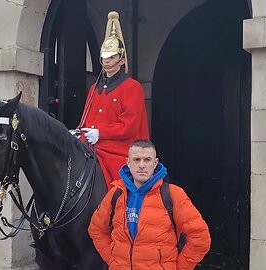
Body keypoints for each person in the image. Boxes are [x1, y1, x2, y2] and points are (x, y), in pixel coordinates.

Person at [88, 140, 211, 270]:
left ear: (155, 163)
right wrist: (112, 261)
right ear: (128, 163)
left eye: (147, 160)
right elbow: (96, 229)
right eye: (136, 159)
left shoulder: (173, 194)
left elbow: (200, 237)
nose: (142, 165)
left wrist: (181, 267)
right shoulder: (116, 193)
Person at [77, 11, 149, 190]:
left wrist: (101, 133)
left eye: (111, 57)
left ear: (122, 59)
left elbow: (129, 126)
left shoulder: (132, 87)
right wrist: (78, 133)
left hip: (118, 149)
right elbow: (86, 120)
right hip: (91, 145)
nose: (106, 61)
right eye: (104, 57)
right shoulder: (94, 88)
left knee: (119, 187)